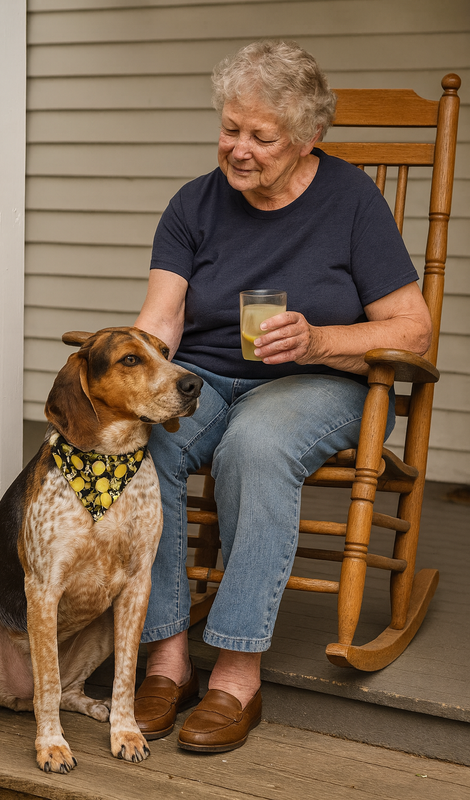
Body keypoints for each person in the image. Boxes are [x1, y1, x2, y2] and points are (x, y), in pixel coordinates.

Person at [132, 40, 432, 753]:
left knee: (254, 445)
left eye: (261, 137)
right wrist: (127, 379)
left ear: (306, 140)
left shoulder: (351, 200)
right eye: (229, 129)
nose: (238, 149)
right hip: (206, 373)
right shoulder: (193, 203)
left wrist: (320, 340)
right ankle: (166, 658)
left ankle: (237, 674)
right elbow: (161, 318)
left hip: (320, 381)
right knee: (146, 441)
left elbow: (412, 330)